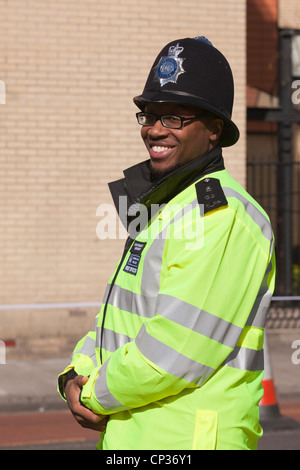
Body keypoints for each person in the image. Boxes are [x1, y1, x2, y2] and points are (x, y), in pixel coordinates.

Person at [58, 36, 276, 450]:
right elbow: (118, 323)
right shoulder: (167, 207)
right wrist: (72, 375)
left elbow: (173, 351)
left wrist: (89, 394)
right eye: (149, 115)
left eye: (175, 117)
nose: (154, 129)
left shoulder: (223, 217)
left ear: (214, 129)